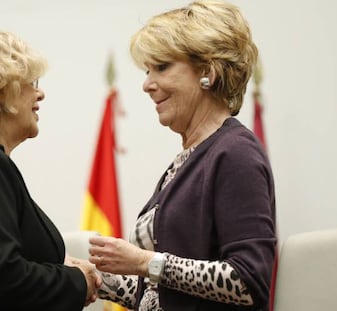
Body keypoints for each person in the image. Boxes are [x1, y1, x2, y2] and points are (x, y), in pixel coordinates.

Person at [88, 1, 277, 311]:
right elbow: (158, 291)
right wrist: (85, 276)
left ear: (208, 72)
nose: (147, 84)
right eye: (147, 70)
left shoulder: (235, 153)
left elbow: (248, 280)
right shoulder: (189, 159)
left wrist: (146, 262)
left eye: (161, 67)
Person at [0, 29, 101, 311]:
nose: (41, 92)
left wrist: (56, 265)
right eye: (30, 81)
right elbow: (2, 276)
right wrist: (77, 281)